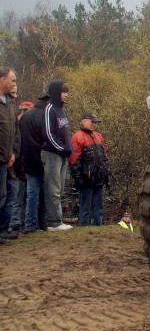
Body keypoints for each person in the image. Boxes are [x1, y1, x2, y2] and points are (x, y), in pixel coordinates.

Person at [41, 80, 73, 231]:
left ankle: (58, 220)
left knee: (59, 189)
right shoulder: (50, 109)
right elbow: (48, 133)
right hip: (52, 154)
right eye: (63, 91)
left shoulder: (62, 110)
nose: (66, 94)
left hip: (63, 155)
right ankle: (53, 222)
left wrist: (68, 149)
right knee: (53, 188)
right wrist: (61, 148)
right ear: (56, 92)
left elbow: (65, 133)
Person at [69, 113, 109, 226]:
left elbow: (105, 157)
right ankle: (84, 229)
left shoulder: (99, 136)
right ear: (84, 121)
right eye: (92, 122)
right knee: (85, 207)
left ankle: (98, 228)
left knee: (98, 206)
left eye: (95, 122)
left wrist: (106, 173)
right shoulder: (77, 137)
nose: (94, 124)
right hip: (86, 179)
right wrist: (78, 178)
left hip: (99, 177)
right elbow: (74, 160)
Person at [21, 95, 50, 233]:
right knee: (44, 194)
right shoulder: (46, 116)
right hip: (43, 160)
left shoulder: (26, 115)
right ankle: (41, 224)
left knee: (32, 194)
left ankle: (30, 225)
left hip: (28, 161)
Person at [5, 101, 34, 236]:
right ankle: (13, 225)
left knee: (25, 199)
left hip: (26, 170)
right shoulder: (15, 128)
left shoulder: (25, 128)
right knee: (16, 199)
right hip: (16, 170)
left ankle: (21, 224)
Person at [0, 67, 17, 245]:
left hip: (6, 159)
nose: (14, 84)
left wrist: (12, 152)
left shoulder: (9, 104)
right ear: (1, 80)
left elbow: (13, 131)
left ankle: (2, 230)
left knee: (4, 195)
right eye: (11, 80)